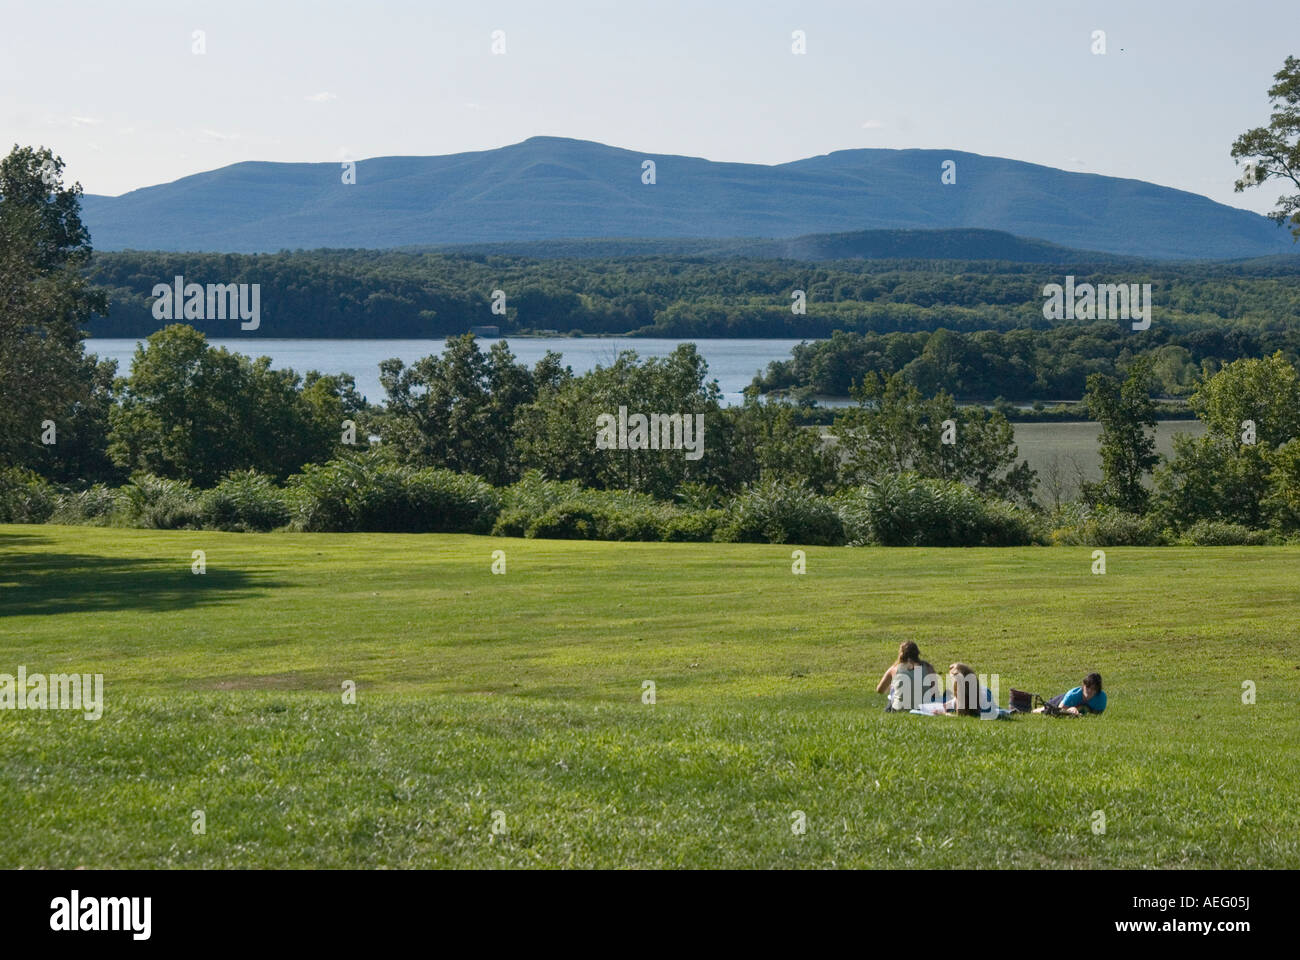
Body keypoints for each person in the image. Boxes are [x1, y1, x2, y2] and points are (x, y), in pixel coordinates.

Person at [876, 641, 942, 712]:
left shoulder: (894, 669)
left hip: (899, 709)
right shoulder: (928, 668)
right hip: (923, 708)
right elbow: (935, 692)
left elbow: (880, 690)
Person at [1036, 672, 1107, 716]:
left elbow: (1097, 714)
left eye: (1093, 688)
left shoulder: (1101, 698)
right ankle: (1030, 710)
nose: (1089, 691)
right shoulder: (1073, 695)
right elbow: (1059, 710)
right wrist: (1071, 709)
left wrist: (1079, 709)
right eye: (1087, 687)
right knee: (1046, 710)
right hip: (1061, 700)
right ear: (1083, 685)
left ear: (1098, 690)